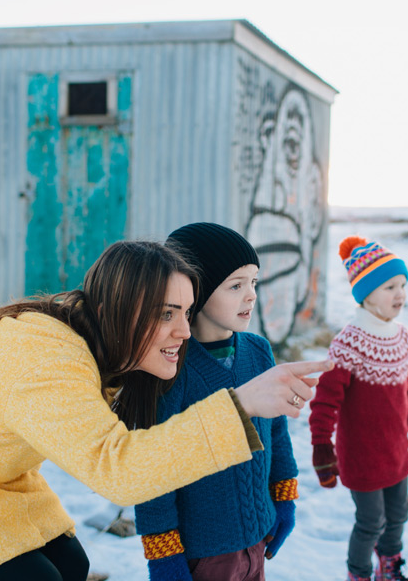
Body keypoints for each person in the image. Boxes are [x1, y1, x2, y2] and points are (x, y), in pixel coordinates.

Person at [0, 240, 330, 581]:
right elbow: (121, 472)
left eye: (186, 312)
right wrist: (239, 406)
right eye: (165, 314)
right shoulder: (49, 359)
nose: (182, 331)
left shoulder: (88, 333)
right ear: (116, 310)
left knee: (71, 560)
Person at [135, 223, 299, 581]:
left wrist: (284, 495)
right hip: (204, 556)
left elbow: (278, 430)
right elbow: (152, 469)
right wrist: (163, 554)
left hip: (258, 542)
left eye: (254, 283)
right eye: (236, 285)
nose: (251, 295)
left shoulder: (258, 351)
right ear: (197, 290)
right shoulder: (171, 367)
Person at [308, 237, 408, 581]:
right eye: (389, 286)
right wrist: (322, 446)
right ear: (365, 293)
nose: (400, 294)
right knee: (370, 523)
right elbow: (325, 401)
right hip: (362, 457)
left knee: (398, 517)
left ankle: (389, 567)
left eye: (403, 285)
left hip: (396, 453)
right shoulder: (349, 343)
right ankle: (359, 573)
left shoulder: (402, 337)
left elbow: (407, 393)